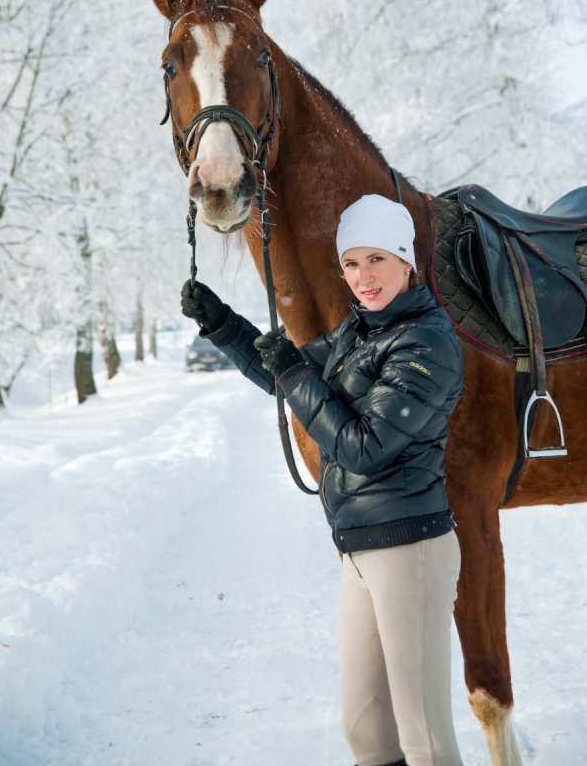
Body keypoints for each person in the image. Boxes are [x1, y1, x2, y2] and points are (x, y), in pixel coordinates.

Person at [181, 194, 464, 766]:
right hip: (359, 551)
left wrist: (292, 369)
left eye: (378, 259)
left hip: (411, 548)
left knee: (424, 737)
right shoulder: (357, 334)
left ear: (406, 261)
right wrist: (223, 325)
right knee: (366, 732)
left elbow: (364, 446)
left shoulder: (425, 341)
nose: (365, 277)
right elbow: (283, 377)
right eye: (353, 262)